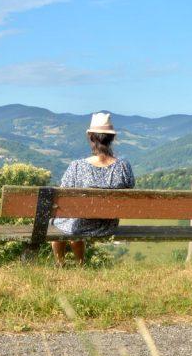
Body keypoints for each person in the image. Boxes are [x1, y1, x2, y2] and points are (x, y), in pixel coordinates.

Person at [51, 112, 135, 265]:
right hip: (107, 226)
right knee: (71, 222)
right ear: (112, 138)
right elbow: (130, 189)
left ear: (90, 137)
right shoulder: (123, 166)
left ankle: (60, 263)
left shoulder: (77, 166)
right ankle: (80, 264)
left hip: (80, 225)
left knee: (59, 222)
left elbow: (62, 195)